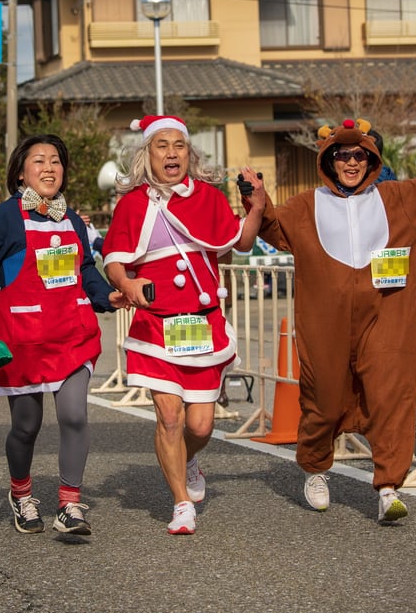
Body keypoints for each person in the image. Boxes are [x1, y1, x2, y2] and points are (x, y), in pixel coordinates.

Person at [241, 115, 416, 525]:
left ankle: (388, 487)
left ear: (371, 158)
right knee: (323, 399)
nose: (351, 162)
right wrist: (256, 199)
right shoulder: (307, 205)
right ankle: (315, 468)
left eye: (359, 155)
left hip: (387, 314)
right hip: (324, 321)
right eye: (342, 155)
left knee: (389, 394)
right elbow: (272, 226)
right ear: (328, 160)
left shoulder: (398, 199)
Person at [101, 115, 264, 535]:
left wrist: (257, 206)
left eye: (179, 145)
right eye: (162, 145)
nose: (171, 153)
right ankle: (180, 504)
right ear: (147, 154)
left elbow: (238, 244)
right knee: (170, 418)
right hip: (157, 324)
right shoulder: (133, 203)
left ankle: (190, 459)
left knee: (200, 426)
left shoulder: (207, 197)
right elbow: (115, 259)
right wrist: (127, 283)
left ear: (189, 153)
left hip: (202, 323)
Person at [0, 134, 125, 537]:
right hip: (23, 338)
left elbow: (85, 270)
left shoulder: (71, 218)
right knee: (26, 426)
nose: (49, 168)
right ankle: (21, 493)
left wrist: (107, 295)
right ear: (21, 172)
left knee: (74, 415)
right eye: (39, 161)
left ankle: (69, 503)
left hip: (72, 333)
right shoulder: (4, 216)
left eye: (56, 161)